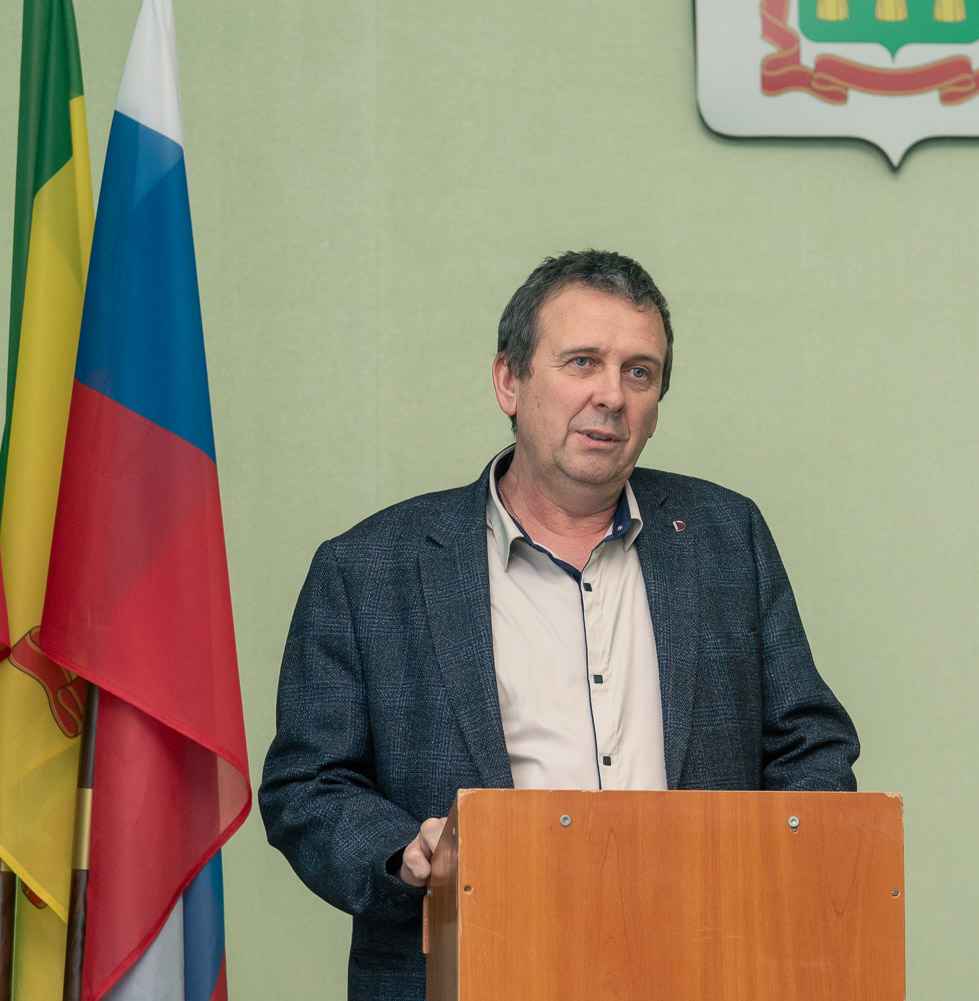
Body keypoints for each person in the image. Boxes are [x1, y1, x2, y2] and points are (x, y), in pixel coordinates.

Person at [259, 250, 860, 1000]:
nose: (611, 394)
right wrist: (407, 852)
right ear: (508, 381)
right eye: (583, 362)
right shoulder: (369, 568)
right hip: (470, 968)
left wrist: (777, 881)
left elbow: (810, 744)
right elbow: (307, 785)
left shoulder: (725, 537)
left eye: (639, 372)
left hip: (705, 965)